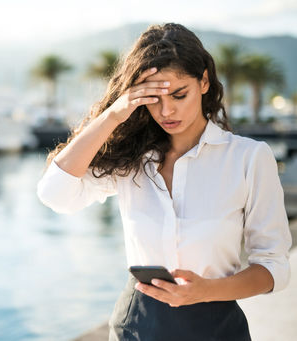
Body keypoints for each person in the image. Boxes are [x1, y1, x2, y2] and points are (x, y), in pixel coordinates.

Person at [36, 23, 292, 341]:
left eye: (178, 94)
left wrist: (208, 291)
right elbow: (54, 194)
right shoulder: (131, 160)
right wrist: (112, 116)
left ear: (204, 82)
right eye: (153, 98)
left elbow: (275, 268)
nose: (166, 110)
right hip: (136, 327)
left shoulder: (248, 158)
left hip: (216, 328)